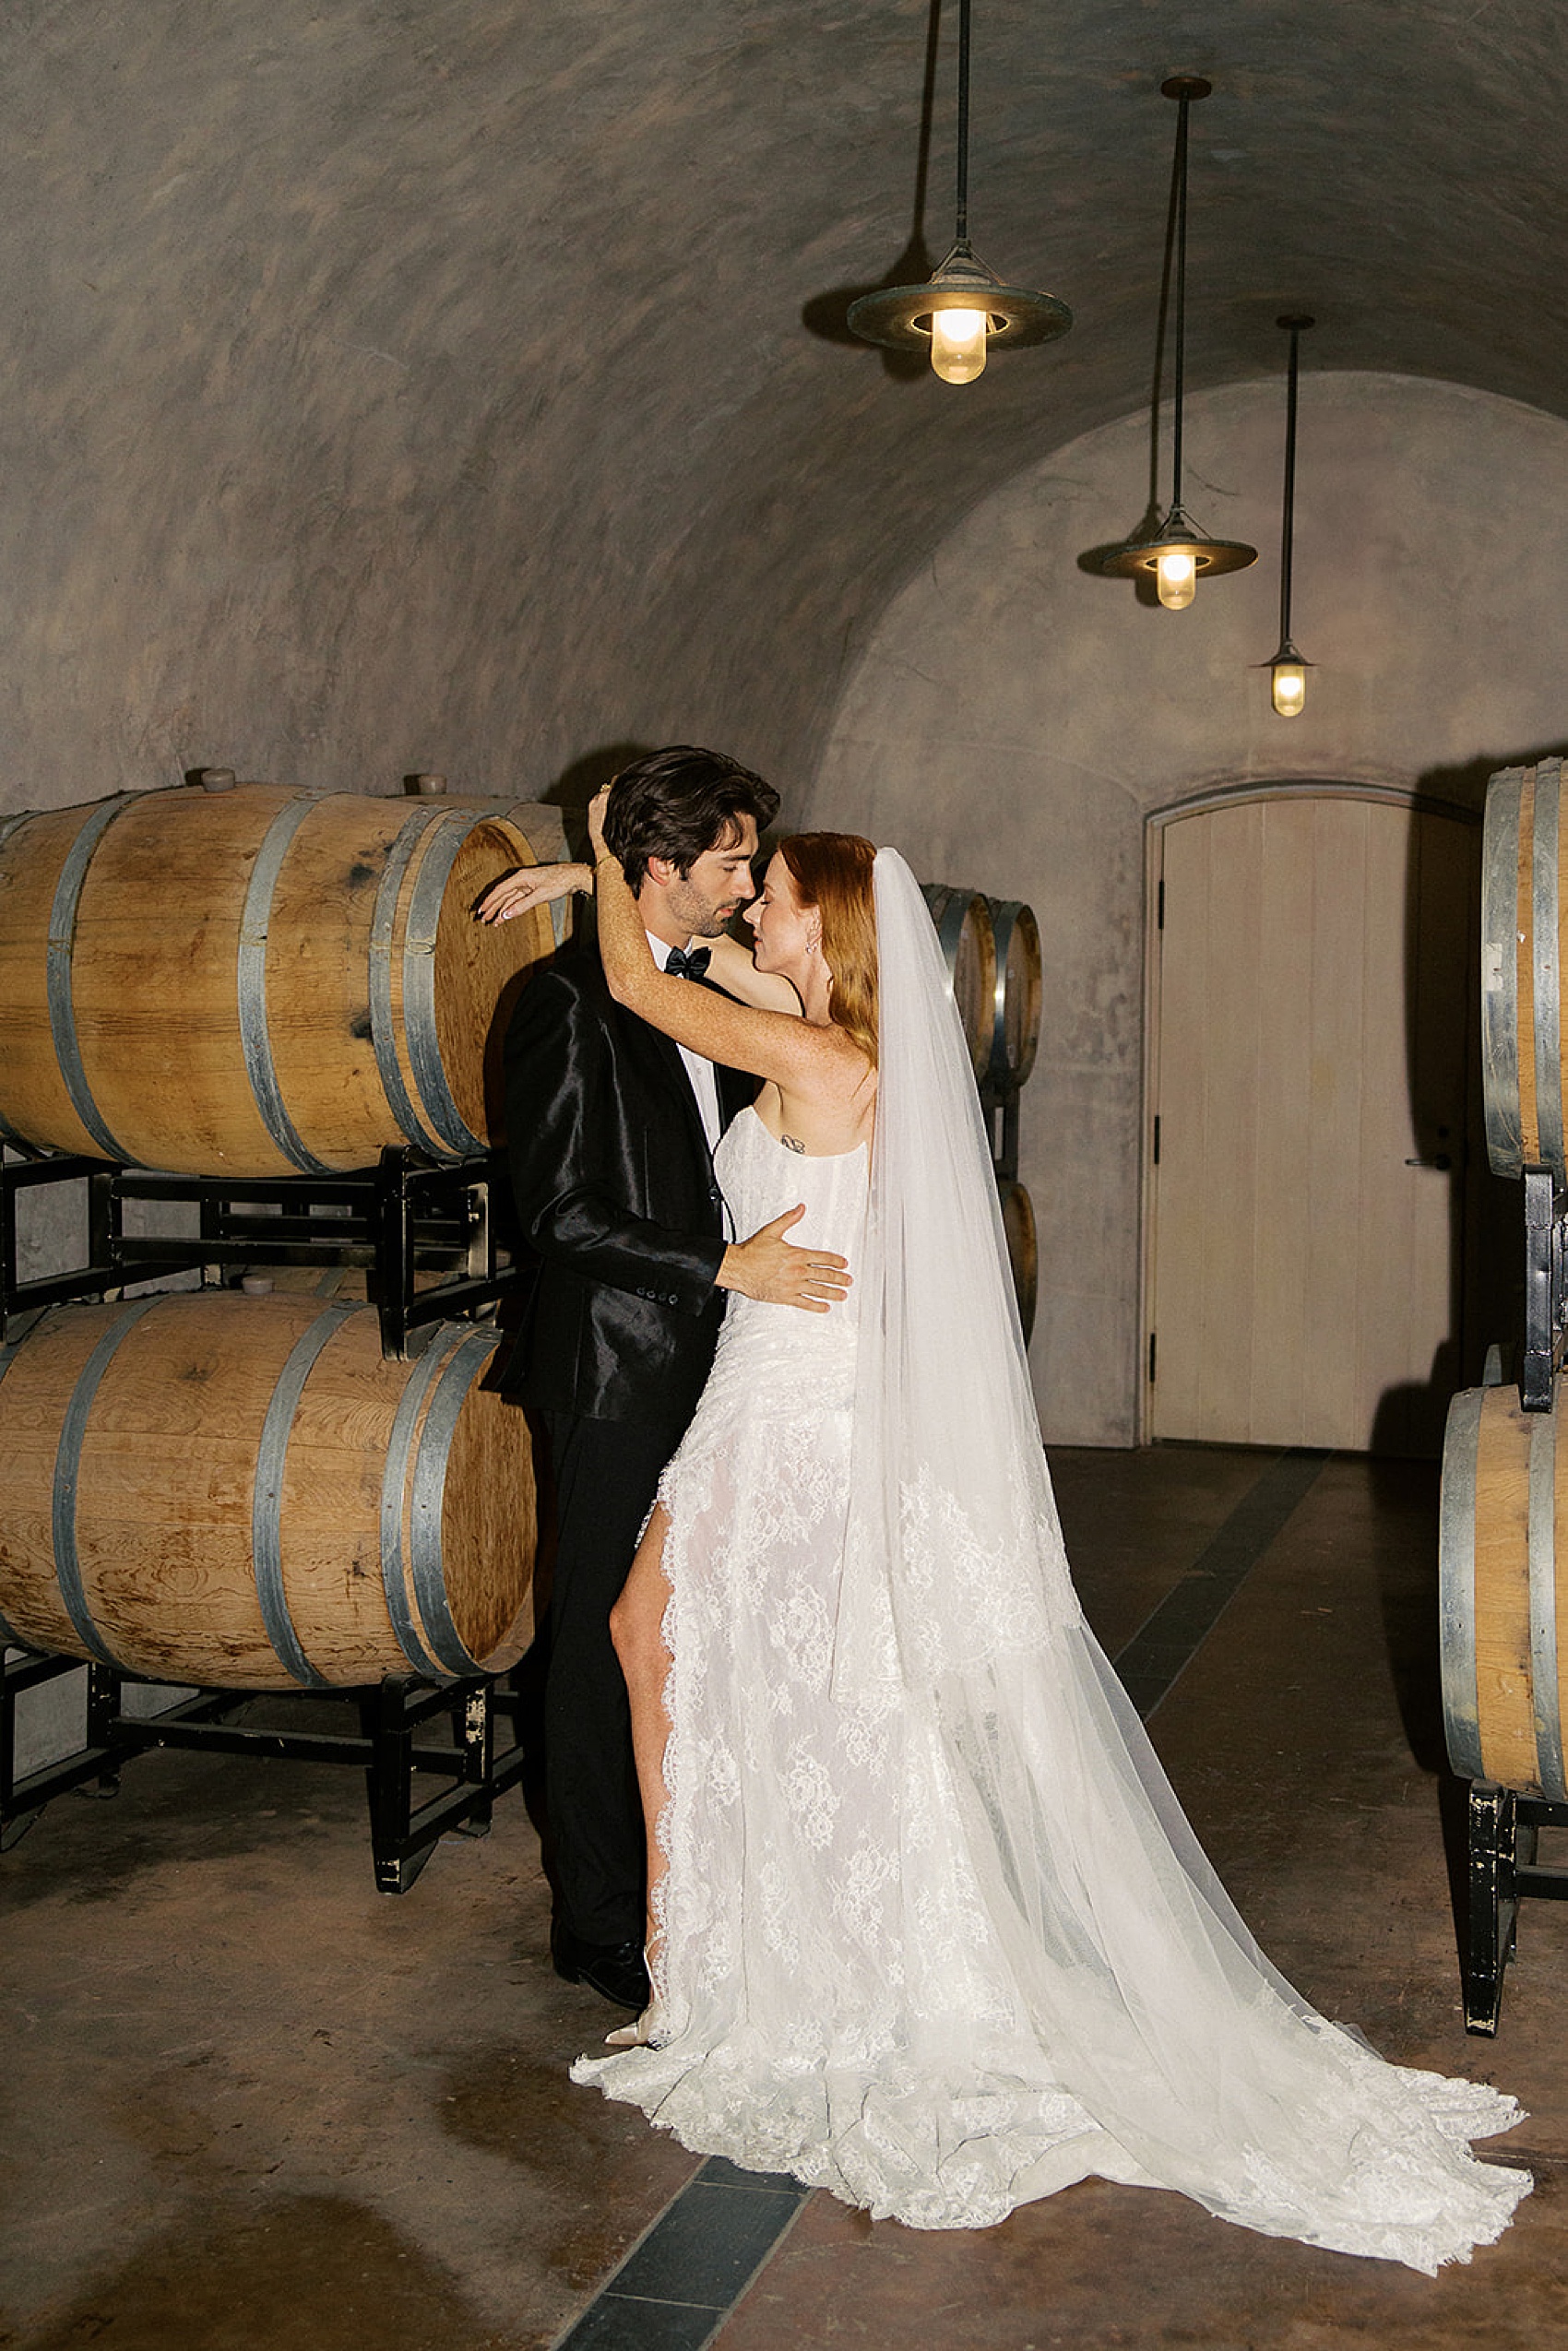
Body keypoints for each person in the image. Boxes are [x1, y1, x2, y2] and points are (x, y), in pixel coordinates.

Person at [506, 780, 1531, 2272]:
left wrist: (604, 843)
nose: (751, 905)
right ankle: (705, 1949)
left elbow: (628, 971)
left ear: (828, 928)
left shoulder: (817, 1055)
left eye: (773, 891)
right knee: (722, 1665)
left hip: (788, 1413)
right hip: (768, 1401)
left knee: (704, 1655)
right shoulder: (815, 1022)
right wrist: (580, 875)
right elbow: (677, 947)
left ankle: (710, 1964)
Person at [480, 747, 850, 2014]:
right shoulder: (568, 1004)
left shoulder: (698, 983)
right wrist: (726, 1264)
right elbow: (564, 1215)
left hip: (713, 1368)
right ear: (661, 865)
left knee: (683, 1638)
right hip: (611, 1374)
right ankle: (596, 1924)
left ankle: (682, 1881)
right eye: (733, 859)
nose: (749, 885)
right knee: (597, 1643)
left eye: (757, 863)